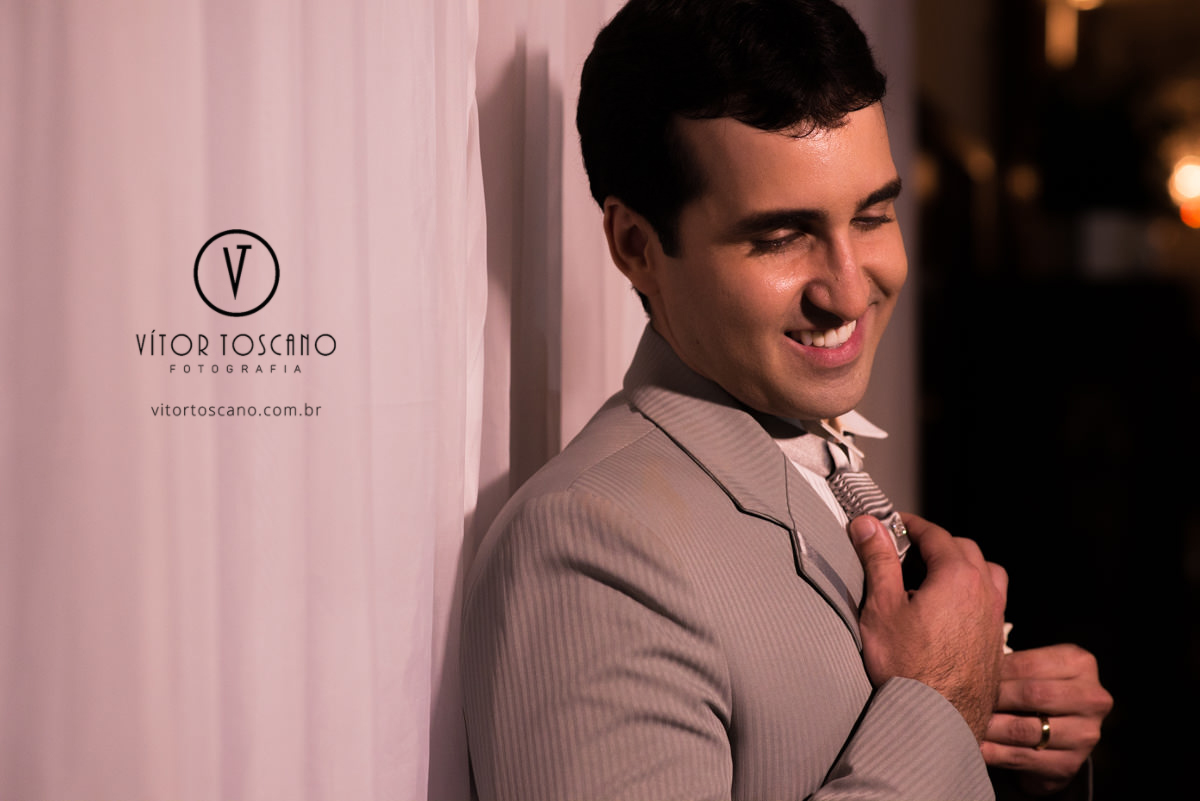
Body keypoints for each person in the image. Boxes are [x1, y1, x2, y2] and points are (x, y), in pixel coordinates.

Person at [460, 1, 1112, 799]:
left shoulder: (813, 451)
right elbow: (924, 719)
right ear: (636, 246)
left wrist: (1015, 744)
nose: (850, 290)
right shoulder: (586, 547)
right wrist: (942, 704)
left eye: (872, 216)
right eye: (779, 237)